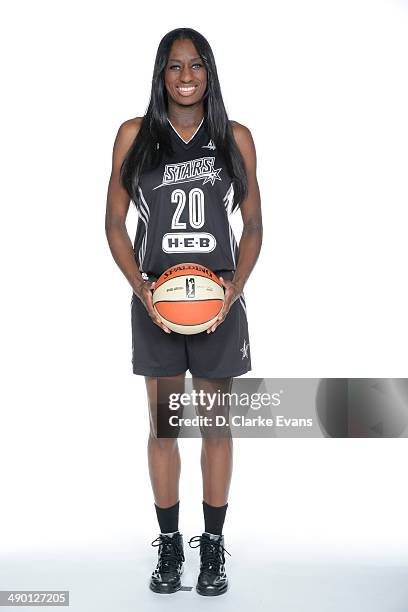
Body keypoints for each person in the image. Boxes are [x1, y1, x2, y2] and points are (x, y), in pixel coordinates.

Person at [105, 27, 262, 596]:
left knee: (216, 426)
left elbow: (254, 227)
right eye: (175, 66)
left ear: (209, 72)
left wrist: (234, 289)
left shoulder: (235, 138)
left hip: (219, 307)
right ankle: (170, 545)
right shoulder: (134, 136)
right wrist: (142, 290)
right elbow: (114, 225)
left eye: (196, 65)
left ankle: (213, 548)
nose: (186, 75)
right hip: (158, 306)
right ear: (161, 74)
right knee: (165, 426)